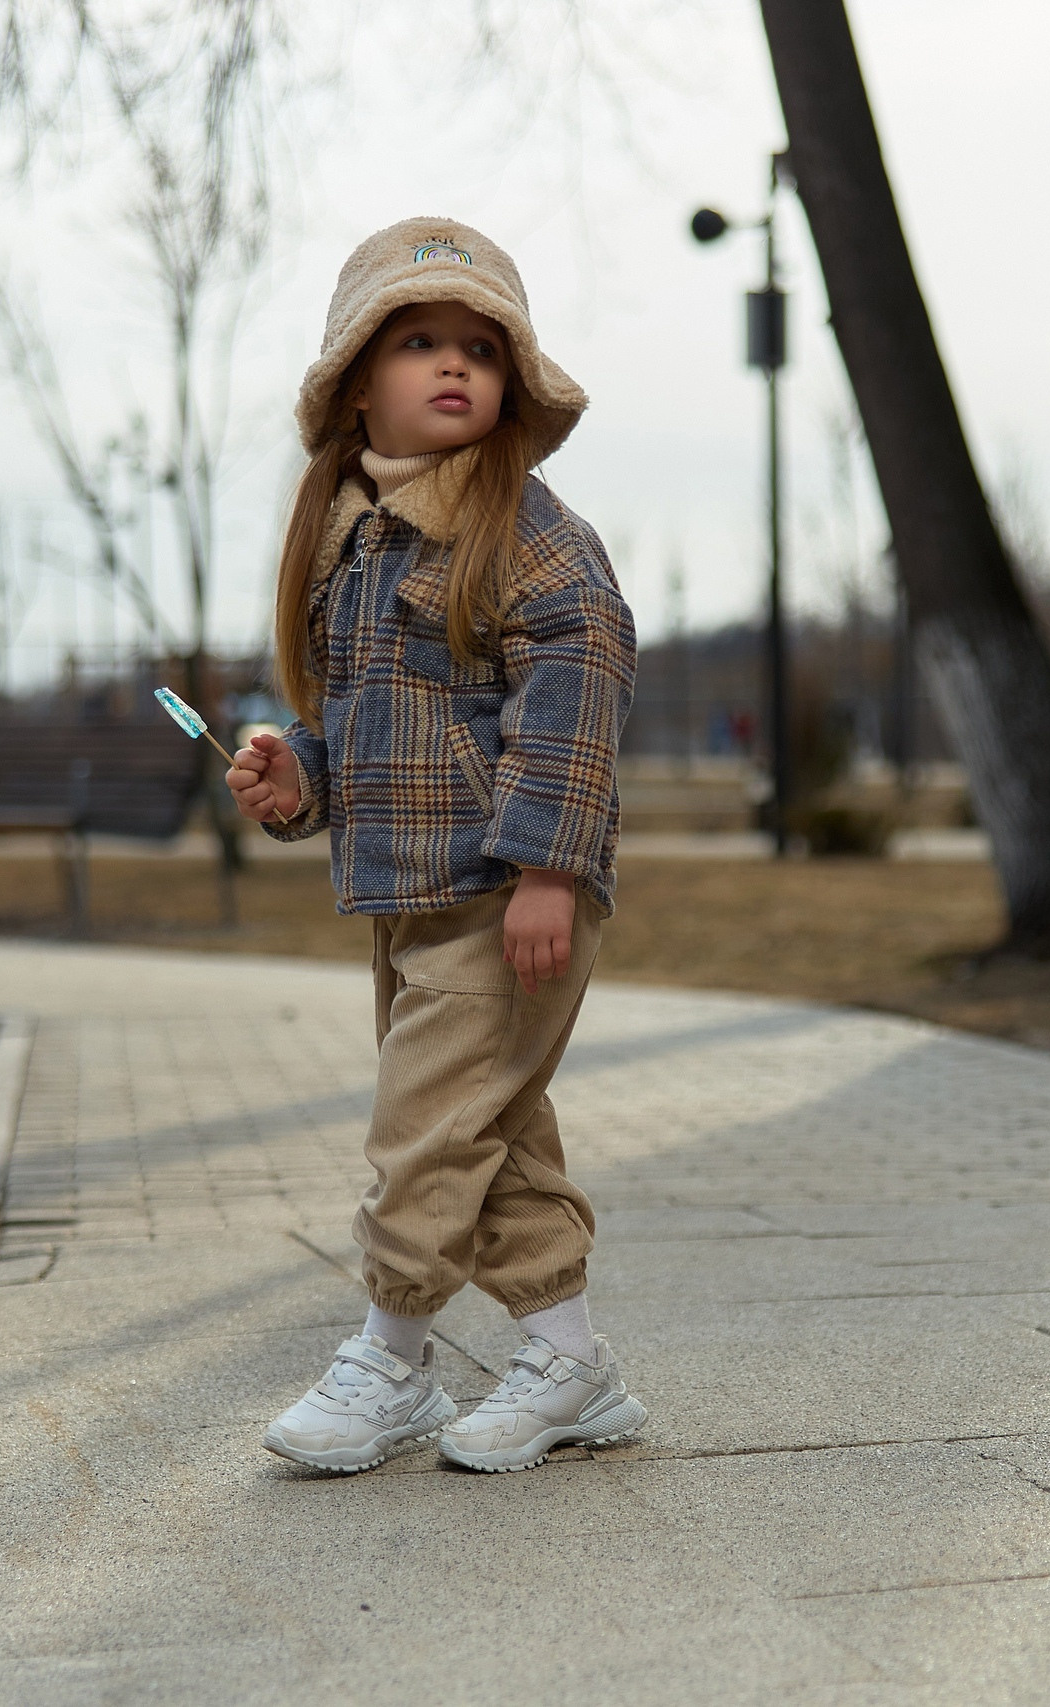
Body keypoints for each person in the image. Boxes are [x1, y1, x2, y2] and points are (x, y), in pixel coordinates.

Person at [227, 218, 645, 1475]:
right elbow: (373, 720)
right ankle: (570, 1363)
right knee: (488, 1128)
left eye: (481, 346)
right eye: (417, 343)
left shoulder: (527, 533)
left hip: (502, 892)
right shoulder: (354, 540)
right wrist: (299, 774)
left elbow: (576, 694)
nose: (453, 364)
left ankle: (392, 1359)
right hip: (408, 892)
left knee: (422, 1128)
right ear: (359, 381)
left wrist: (548, 872)